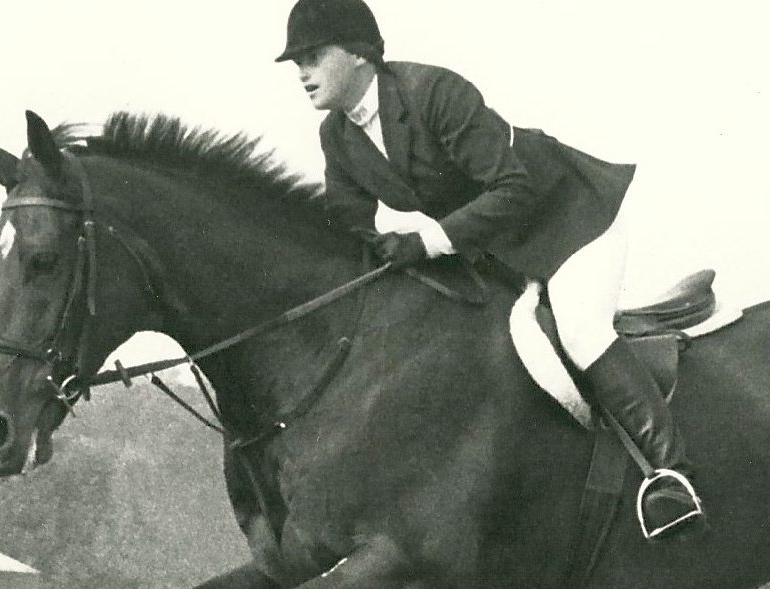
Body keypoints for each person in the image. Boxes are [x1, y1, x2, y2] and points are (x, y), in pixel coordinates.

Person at [278, 0, 708, 540]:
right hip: (493, 248)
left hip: (568, 221)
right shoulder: (338, 137)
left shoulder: (433, 92)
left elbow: (514, 187)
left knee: (578, 328)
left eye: (313, 56)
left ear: (360, 55)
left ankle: (672, 475)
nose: (301, 73)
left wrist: (425, 240)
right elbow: (347, 227)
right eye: (296, 62)